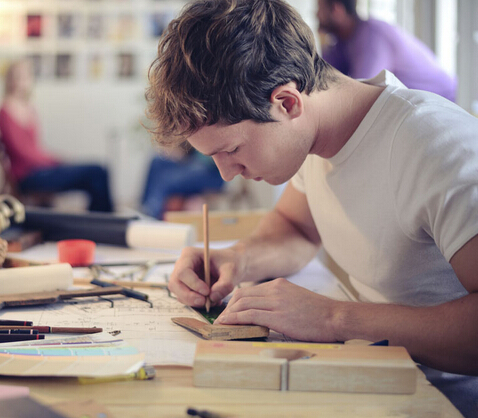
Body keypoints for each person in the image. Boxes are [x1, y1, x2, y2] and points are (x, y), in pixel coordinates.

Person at [145, 0, 477, 416]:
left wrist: (334, 318)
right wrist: (234, 260)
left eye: (231, 150)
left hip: (440, 402)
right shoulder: (315, 138)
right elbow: (295, 229)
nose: (227, 174)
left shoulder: (435, 146)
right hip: (369, 378)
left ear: (287, 103)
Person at [0, 59, 114, 212]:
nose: (23, 81)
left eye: (26, 76)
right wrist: (57, 162)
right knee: (97, 172)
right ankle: (102, 224)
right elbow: (23, 153)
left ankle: (98, 224)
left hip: (42, 169)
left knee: (98, 175)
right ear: (11, 80)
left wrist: (56, 161)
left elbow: (36, 149)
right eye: (19, 77)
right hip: (28, 176)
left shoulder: (30, 109)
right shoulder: (5, 111)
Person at [317, 0, 457, 101]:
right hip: (411, 103)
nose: (316, 15)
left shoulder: (372, 37)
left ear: (337, 10)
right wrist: (322, 40)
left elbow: (358, 94)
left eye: (319, 9)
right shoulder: (344, 40)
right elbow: (326, 77)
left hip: (441, 99)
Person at [141, 146, 224, 219]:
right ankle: (146, 206)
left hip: (211, 170)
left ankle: (153, 213)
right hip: (193, 160)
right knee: (157, 160)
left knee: (167, 180)